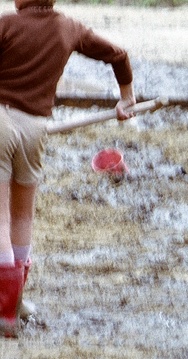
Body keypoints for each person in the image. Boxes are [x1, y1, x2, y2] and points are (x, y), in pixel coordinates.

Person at [0, 0, 136, 337]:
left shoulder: (5, 25)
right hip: (36, 129)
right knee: (22, 216)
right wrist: (127, 98)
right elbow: (118, 55)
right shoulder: (68, 28)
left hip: (1, 121)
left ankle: (4, 308)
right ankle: (15, 303)